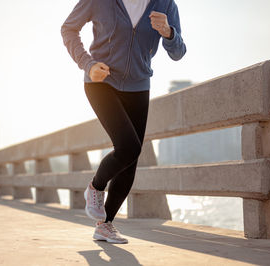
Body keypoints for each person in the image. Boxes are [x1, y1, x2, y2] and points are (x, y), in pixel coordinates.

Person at [61, 0, 186, 244]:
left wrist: (168, 32)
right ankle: (96, 187)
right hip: (100, 81)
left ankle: (104, 225)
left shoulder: (165, 4)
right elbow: (68, 29)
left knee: (130, 160)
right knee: (129, 146)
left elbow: (178, 53)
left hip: (138, 87)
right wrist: (87, 63)